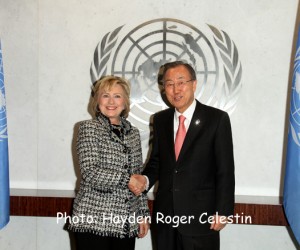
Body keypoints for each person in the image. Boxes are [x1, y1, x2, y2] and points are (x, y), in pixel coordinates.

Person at [128, 61, 235, 250]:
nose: (175, 89)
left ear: (194, 84)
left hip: (201, 218)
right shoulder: (161, 120)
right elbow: (157, 162)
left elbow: (225, 170)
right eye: (169, 84)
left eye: (181, 82)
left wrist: (223, 210)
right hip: (165, 218)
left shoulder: (216, 119)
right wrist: (144, 179)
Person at [68, 76, 150, 250]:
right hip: (93, 221)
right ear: (97, 101)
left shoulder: (133, 133)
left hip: (126, 223)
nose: (111, 101)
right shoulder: (88, 128)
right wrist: (127, 179)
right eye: (105, 95)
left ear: (125, 102)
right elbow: (91, 172)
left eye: (117, 96)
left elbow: (138, 176)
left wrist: (143, 214)